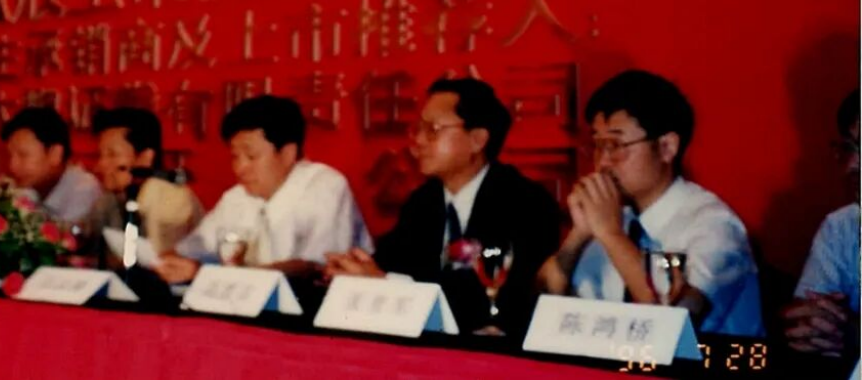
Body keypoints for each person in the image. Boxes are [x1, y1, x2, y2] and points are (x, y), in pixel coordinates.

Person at [325, 77, 560, 335]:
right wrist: (355, 269)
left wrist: (385, 283)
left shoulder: (525, 203)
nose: (419, 141)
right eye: (418, 129)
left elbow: (499, 298)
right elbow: (390, 262)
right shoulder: (423, 202)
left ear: (477, 139)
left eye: (433, 129)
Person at [537, 70, 764, 336]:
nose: (603, 162)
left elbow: (676, 327)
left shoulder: (715, 226)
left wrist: (611, 235)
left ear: (667, 147)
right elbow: (538, 308)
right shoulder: (614, 219)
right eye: (597, 145)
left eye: (616, 145)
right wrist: (578, 236)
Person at [155, 95, 371, 284]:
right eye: (235, 157)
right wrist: (169, 263)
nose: (239, 168)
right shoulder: (236, 197)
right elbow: (190, 250)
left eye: (252, 156)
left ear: (287, 153)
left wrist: (210, 275)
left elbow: (313, 268)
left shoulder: (325, 186)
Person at [782, 88, 860, 358]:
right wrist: (812, 324)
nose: (852, 165)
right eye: (849, 148)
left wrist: (855, 335)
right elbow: (808, 319)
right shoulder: (841, 227)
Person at [83, 107, 204, 264]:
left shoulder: (170, 197)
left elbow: (162, 263)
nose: (101, 165)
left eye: (112, 154)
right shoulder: (108, 201)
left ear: (145, 158)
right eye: (100, 155)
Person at [2, 107, 100, 224]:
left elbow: (64, 234)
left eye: (23, 155)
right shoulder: (27, 190)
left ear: (55, 154)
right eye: (10, 156)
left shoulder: (83, 189)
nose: (13, 166)